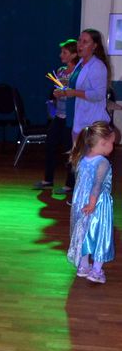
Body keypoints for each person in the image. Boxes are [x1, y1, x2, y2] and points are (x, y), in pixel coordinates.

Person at [53, 29, 111, 196]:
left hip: (92, 122)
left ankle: (91, 201)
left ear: (95, 46)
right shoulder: (81, 64)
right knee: (80, 165)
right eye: (79, 41)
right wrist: (64, 92)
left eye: (85, 42)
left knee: (90, 166)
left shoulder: (97, 66)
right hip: (79, 120)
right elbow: (76, 89)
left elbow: (98, 94)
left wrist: (73, 93)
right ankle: (82, 199)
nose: (80, 45)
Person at [67, 121, 115, 284]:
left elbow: (80, 182)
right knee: (100, 234)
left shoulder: (82, 158)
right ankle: (96, 271)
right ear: (102, 143)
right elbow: (97, 185)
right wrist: (93, 203)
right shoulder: (102, 162)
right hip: (97, 204)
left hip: (81, 203)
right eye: (112, 143)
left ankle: (83, 266)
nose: (113, 146)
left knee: (84, 233)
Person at [34, 39, 80, 191]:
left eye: (64, 52)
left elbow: (77, 94)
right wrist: (56, 94)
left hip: (71, 117)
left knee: (69, 150)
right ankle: (48, 180)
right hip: (59, 116)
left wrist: (65, 93)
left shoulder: (78, 73)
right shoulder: (60, 71)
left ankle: (70, 184)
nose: (61, 55)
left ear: (73, 55)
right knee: (50, 146)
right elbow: (57, 92)